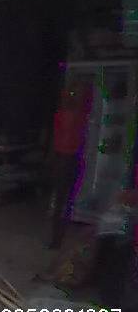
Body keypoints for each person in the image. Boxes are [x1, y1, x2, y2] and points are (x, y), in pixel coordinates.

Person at [48, 77, 91, 249]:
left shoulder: (62, 115)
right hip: (73, 158)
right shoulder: (80, 116)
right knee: (68, 201)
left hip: (63, 158)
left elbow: (56, 137)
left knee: (60, 200)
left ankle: (55, 239)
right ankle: (59, 236)